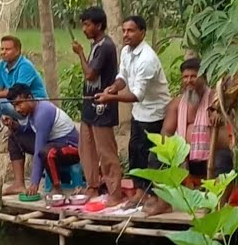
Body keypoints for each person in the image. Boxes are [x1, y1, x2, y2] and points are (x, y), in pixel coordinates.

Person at [94, 15, 171, 209]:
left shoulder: (147, 59)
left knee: (150, 156)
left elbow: (138, 95)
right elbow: (122, 77)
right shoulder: (127, 51)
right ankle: (139, 192)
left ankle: (153, 196)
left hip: (155, 113)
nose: (126, 35)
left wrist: (111, 98)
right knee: (134, 151)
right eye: (124, 31)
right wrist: (113, 88)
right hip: (139, 113)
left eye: (131, 30)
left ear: (142, 32)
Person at [146, 58, 234, 215]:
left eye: (193, 76)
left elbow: (227, 136)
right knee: (156, 155)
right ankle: (163, 203)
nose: (189, 81)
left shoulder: (216, 100)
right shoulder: (177, 104)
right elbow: (166, 132)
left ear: (203, 77)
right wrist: (170, 152)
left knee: (224, 158)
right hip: (185, 160)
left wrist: (219, 117)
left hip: (211, 157)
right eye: (185, 77)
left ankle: (217, 208)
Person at [71, 6, 123, 207]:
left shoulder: (106, 46)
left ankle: (115, 192)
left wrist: (80, 54)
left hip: (102, 104)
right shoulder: (96, 44)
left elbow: (91, 74)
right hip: (88, 104)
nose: (84, 29)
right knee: (86, 148)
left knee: (106, 149)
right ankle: (92, 185)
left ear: (98, 25)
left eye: (87, 24)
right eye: (83, 24)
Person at [1, 83, 79, 196]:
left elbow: (39, 149)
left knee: (45, 151)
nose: (17, 109)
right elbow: (31, 130)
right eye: (14, 106)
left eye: (19, 104)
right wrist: (14, 125)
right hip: (53, 144)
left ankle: (57, 187)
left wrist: (34, 182)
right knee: (14, 137)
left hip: (71, 149)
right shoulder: (33, 110)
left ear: (29, 98)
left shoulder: (43, 112)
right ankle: (18, 184)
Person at [0, 35, 47, 121]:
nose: (3, 52)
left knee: (3, 104)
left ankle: (23, 122)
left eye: (7, 49)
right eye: (2, 49)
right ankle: (11, 122)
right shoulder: (1, 65)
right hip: (14, 101)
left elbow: (18, 91)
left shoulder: (25, 66)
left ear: (17, 51)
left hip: (32, 104)